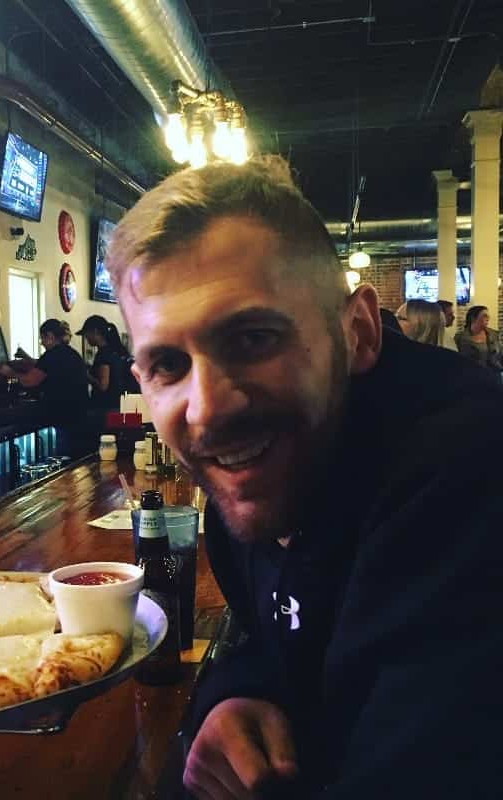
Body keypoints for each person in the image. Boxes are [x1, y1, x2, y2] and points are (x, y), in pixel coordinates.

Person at [106, 156, 503, 799]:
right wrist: (234, 695)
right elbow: (275, 637)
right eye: (168, 365)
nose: (206, 409)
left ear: (359, 333)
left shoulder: (468, 468)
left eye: (253, 338)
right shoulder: (251, 487)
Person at [0, 319, 89, 457]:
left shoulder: (52, 355)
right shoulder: (72, 353)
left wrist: (9, 372)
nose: (42, 343)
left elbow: (30, 381)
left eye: (43, 338)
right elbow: (42, 368)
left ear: (50, 337)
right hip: (80, 416)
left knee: (63, 460)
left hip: (64, 418)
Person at [76, 314, 128, 410]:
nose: (86, 338)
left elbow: (103, 385)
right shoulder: (115, 351)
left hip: (105, 409)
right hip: (119, 407)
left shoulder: (103, 354)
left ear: (95, 331)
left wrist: (86, 375)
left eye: (86, 334)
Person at [454, 304, 502, 371]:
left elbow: (500, 355)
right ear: (473, 318)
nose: (488, 318)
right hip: (473, 375)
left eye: (488, 316)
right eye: (484, 316)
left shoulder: (494, 335)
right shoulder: (460, 338)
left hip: (494, 374)